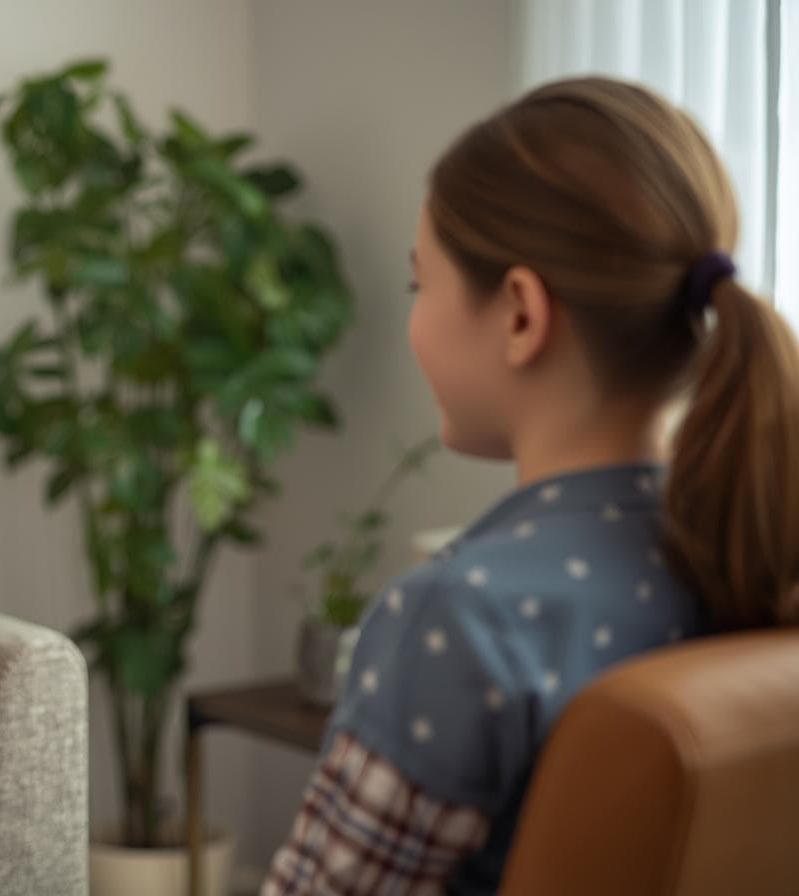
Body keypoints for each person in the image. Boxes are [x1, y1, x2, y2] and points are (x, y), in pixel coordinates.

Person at [265, 76, 799, 894]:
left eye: (421, 285)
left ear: (520, 313)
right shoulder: (757, 550)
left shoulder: (463, 619)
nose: (414, 316)